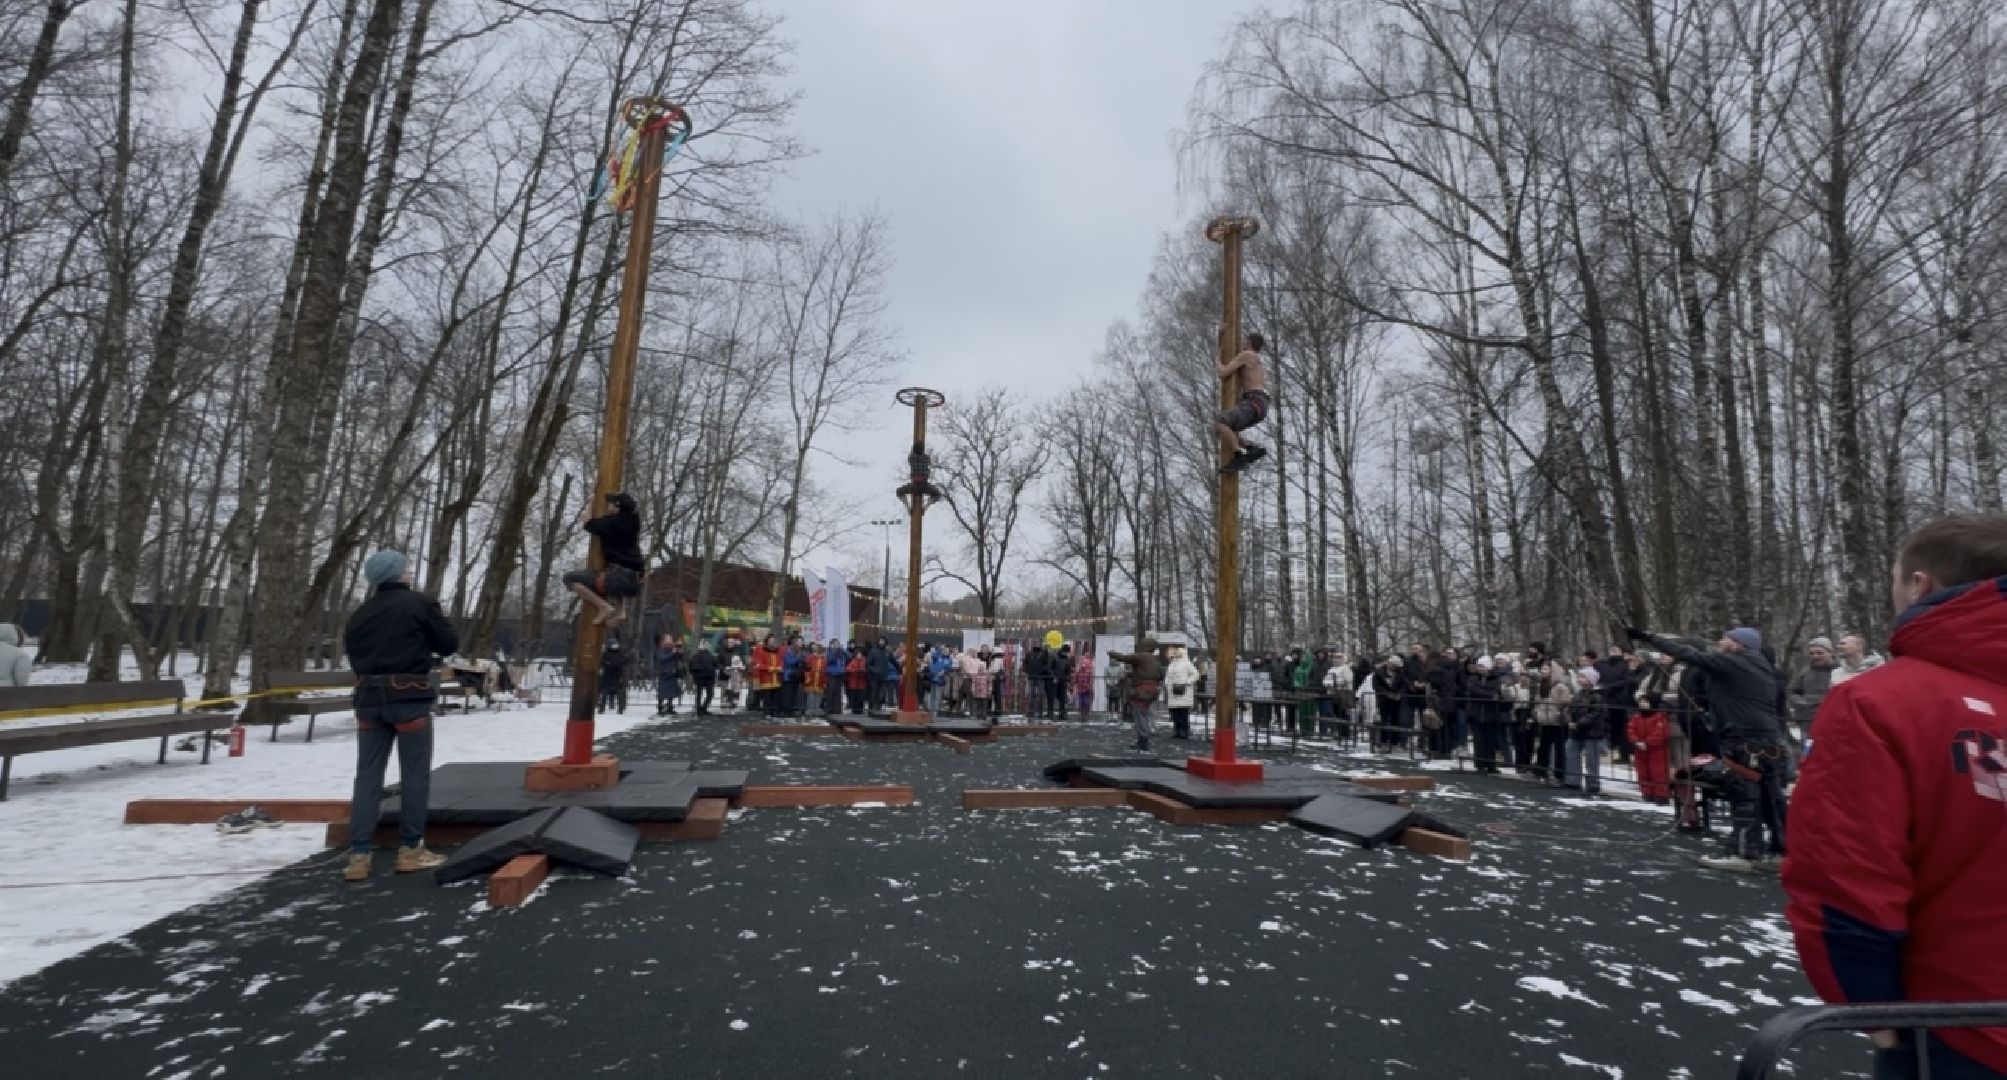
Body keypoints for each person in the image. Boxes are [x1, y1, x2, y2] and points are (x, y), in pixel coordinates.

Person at [1783, 512, 2007, 1080]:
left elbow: (1846, 879)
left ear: (1919, 585)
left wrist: (1870, 1005)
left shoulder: (1882, 703)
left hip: (1962, 1027)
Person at [1628, 624, 1790, 872]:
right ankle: (1781, 850)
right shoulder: (1757, 665)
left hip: (1746, 740)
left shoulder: (1736, 662)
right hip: (1765, 739)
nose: (1721, 642)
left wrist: (1648, 637)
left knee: (1745, 796)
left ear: (1739, 644)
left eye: (1726, 638)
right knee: (1771, 798)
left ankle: (1745, 853)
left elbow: (1690, 654)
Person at [341, 550, 457, 881]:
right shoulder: (419, 604)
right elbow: (448, 644)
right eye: (407, 568)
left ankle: (359, 855)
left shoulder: (359, 614)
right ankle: (410, 850)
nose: (410, 572)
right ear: (399, 574)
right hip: (408, 697)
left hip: (367, 700)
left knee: (367, 777)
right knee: (414, 775)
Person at [561, 492, 644, 628]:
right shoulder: (634, 521)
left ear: (617, 508)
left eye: (611, 503)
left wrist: (591, 502)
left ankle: (603, 606)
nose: (608, 505)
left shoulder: (611, 523)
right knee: (617, 581)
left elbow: (587, 522)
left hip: (616, 577)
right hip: (635, 581)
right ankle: (621, 611)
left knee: (569, 578)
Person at [1214, 332, 1271, 474]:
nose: (1242, 343)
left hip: (1253, 401)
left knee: (1220, 422)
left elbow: (1223, 372)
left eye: (1245, 341)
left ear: (1250, 343)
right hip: (1260, 404)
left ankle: (1239, 457)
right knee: (1227, 431)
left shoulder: (1247, 355)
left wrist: (1216, 359)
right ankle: (1252, 449)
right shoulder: (1256, 362)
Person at [1524, 643, 1574, 784]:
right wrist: (1536, 713)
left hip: (1557, 721)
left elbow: (1565, 703)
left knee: (1559, 749)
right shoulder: (1542, 685)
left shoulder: (1560, 687)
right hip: (1545, 720)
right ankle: (1541, 770)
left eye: (1546, 669)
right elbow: (1538, 701)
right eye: (1543, 669)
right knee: (1543, 747)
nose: (1543, 671)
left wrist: (1561, 714)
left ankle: (1559, 774)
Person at [1107, 638, 1164, 752]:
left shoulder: (1142, 656)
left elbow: (1125, 658)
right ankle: (1142, 739)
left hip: (1142, 691)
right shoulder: (1154, 660)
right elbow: (1156, 674)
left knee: (1139, 716)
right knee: (1144, 715)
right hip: (1151, 691)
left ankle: (1143, 740)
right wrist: (1134, 675)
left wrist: (1112, 653)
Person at [1563, 666, 1607, 795]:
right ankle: (1573, 780)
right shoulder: (1578, 694)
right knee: (1571, 752)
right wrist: (1569, 720)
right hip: (1576, 729)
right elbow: (1569, 709)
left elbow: (1595, 713)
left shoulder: (1597, 696)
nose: (1580, 679)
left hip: (1592, 732)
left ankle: (1593, 782)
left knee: (1592, 759)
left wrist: (1579, 723)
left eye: (1583, 677)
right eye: (1580, 677)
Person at [1787, 637, 1840, 739]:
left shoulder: (1840, 672)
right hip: (1808, 724)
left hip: (1835, 724)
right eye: (1812, 653)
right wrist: (1803, 703)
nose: (1815, 656)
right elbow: (1791, 692)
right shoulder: (1805, 672)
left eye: (1820, 653)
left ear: (1830, 653)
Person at [1466, 655, 1507, 774]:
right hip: (1476, 712)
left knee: (1490, 740)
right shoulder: (1473, 678)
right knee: (1478, 740)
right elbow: (1472, 689)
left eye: (1482, 666)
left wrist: (1484, 692)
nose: (1480, 668)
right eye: (1479, 666)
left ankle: (1490, 764)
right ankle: (1479, 764)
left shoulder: (1495, 679)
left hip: (1491, 713)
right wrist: (1488, 695)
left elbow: (1496, 692)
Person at [1165, 645, 1199, 740]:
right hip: (1173, 692)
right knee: (1175, 714)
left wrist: (1187, 682)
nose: (1176, 654)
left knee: (1183, 714)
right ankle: (1177, 731)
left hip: (1184, 693)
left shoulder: (1187, 664)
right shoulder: (1172, 664)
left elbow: (1196, 674)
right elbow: (1168, 676)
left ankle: (1184, 731)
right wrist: (1167, 685)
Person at [750, 635, 781, 716]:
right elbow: (759, 664)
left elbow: (781, 662)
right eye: (770, 640)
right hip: (766, 678)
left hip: (776, 678)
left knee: (775, 697)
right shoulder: (763, 651)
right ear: (767, 641)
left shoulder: (777, 651)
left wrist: (780, 667)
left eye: (773, 640)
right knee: (767, 697)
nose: (772, 642)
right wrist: (770, 668)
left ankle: (773, 712)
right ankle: (766, 712)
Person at [686, 639, 718, 716]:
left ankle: (704, 708)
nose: (706, 646)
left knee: (710, 694)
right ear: (701, 645)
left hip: (709, 677)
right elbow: (692, 666)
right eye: (704, 644)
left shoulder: (710, 655)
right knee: (699, 693)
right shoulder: (696, 655)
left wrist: (714, 668)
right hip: (700, 677)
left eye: (707, 644)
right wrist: (702, 669)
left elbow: (715, 664)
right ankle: (698, 709)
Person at [654, 635, 684, 715]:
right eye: (668, 639)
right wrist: (672, 653)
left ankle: (670, 707)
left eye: (670, 639)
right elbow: (662, 658)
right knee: (662, 692)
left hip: (672, 673)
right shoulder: (661, 649)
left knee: (671, 692)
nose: (670, 640)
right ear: (664, 641)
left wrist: (679, 652)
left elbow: (678, 659)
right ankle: (660, 708)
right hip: (663, 673)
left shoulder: (673, 648)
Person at [598, 639, 629, 714]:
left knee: (619, 693)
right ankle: (602, 709)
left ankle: (620, 708)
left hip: (617, 675)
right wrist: (610, 664)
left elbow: (625, 661)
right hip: (608, 675)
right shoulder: (606, 654)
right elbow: (603, 662)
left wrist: (615, 663)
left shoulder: (620, 654)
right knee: (605, 693)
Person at [843, 644, 870, 714]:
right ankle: (854, 711)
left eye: (860, 654)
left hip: (861, 684)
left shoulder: (864, 661)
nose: (859, 656)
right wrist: (855, 670)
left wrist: (863, 671)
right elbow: (847, 669)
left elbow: (867, 670)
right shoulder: (853, 661)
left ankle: (860, 712)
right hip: (853, 684)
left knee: (860, 699)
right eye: (858, 654)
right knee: (854, 699)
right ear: (855, 655)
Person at [1051, 643, 1074, 719]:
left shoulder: (1067, 659)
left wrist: (1068, 679)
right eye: (1067, 651)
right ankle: (1054, 712)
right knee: (1057, 696)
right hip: (1056, 680)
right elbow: (1052, 668)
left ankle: (1062, 714)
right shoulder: (1055, 657)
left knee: (1063, 698)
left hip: (1063, 680)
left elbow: (1068, 670)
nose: (1067, 653)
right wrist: (1053, 677)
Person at [804, 642, 827, 716]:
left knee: (819, 695)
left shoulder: (824, 659)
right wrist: (807, 677)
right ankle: (809, 710)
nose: (815, 649)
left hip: (820, 679)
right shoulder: (810, 657)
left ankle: (816, 709)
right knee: (811, 695)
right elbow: (807, 668)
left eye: (817, 648)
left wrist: (825, 682)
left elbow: (825, 671)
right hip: (811, 678)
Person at [1073, 650, 1095, 715]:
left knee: (1084, 700)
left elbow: (1090, 679)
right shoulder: (1081, 671)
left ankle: (1084, 712)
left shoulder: (1087, 670)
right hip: (1082, 687)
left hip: (1085, 687)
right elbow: (1076, 678)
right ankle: (1083, 712)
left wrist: (1090, 685)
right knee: (1083, 701)